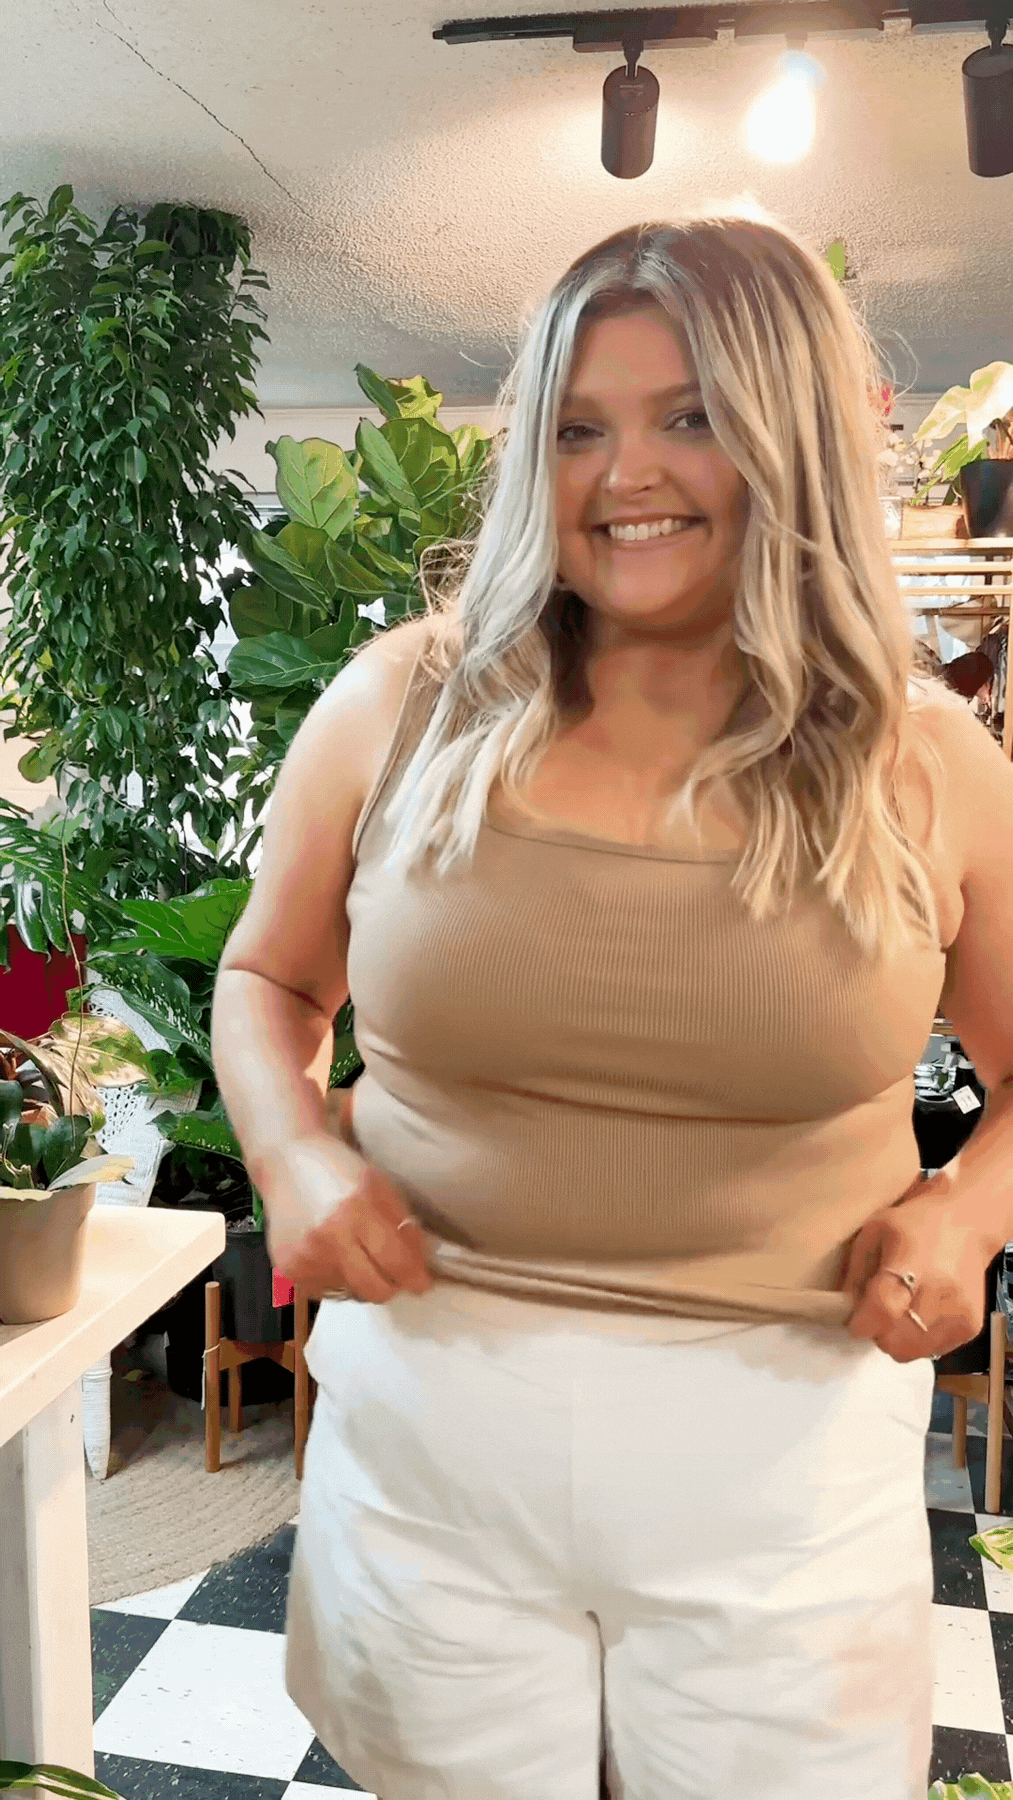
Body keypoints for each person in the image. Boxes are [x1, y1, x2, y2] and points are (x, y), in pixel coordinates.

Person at [211, 211, 1013, 1800]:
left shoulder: (927, 763)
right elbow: (266, 980)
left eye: (689, 416)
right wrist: (291, 1158)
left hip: (785, 1460)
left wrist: (970, 1210)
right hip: (432, 1430)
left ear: (789, 436)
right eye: (579, 428)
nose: (623, 473)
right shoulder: (400, 703)